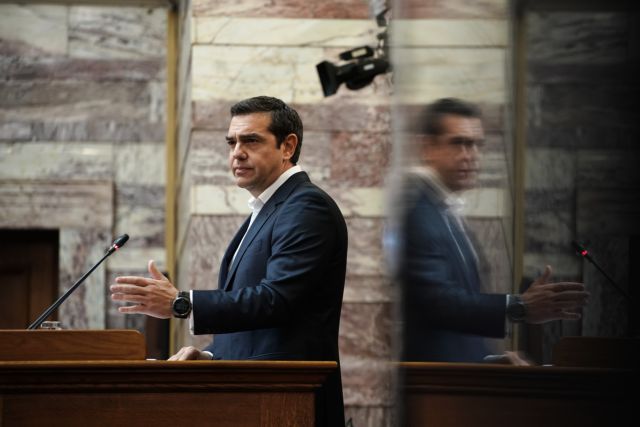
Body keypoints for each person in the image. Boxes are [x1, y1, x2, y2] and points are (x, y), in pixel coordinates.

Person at [110, 96, 348, 425]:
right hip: (260, 399)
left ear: (287, 146)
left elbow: (277, 300)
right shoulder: (268, 210)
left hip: (290, 404)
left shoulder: (306, 206)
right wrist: (211, 357)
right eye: (231, 142)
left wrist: (182, 303)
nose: (237, 152)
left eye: (251, 140)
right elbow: (257, 328)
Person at [394, 98, 589, 363]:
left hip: (457, 378)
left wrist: (490, 361)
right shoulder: (416, 212)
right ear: (428, 147)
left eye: (477, 144)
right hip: (435, 384)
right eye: (459, 143)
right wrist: (519, 306)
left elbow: (453, 328)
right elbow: (437, 304)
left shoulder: (442, 210)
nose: (471, 155)